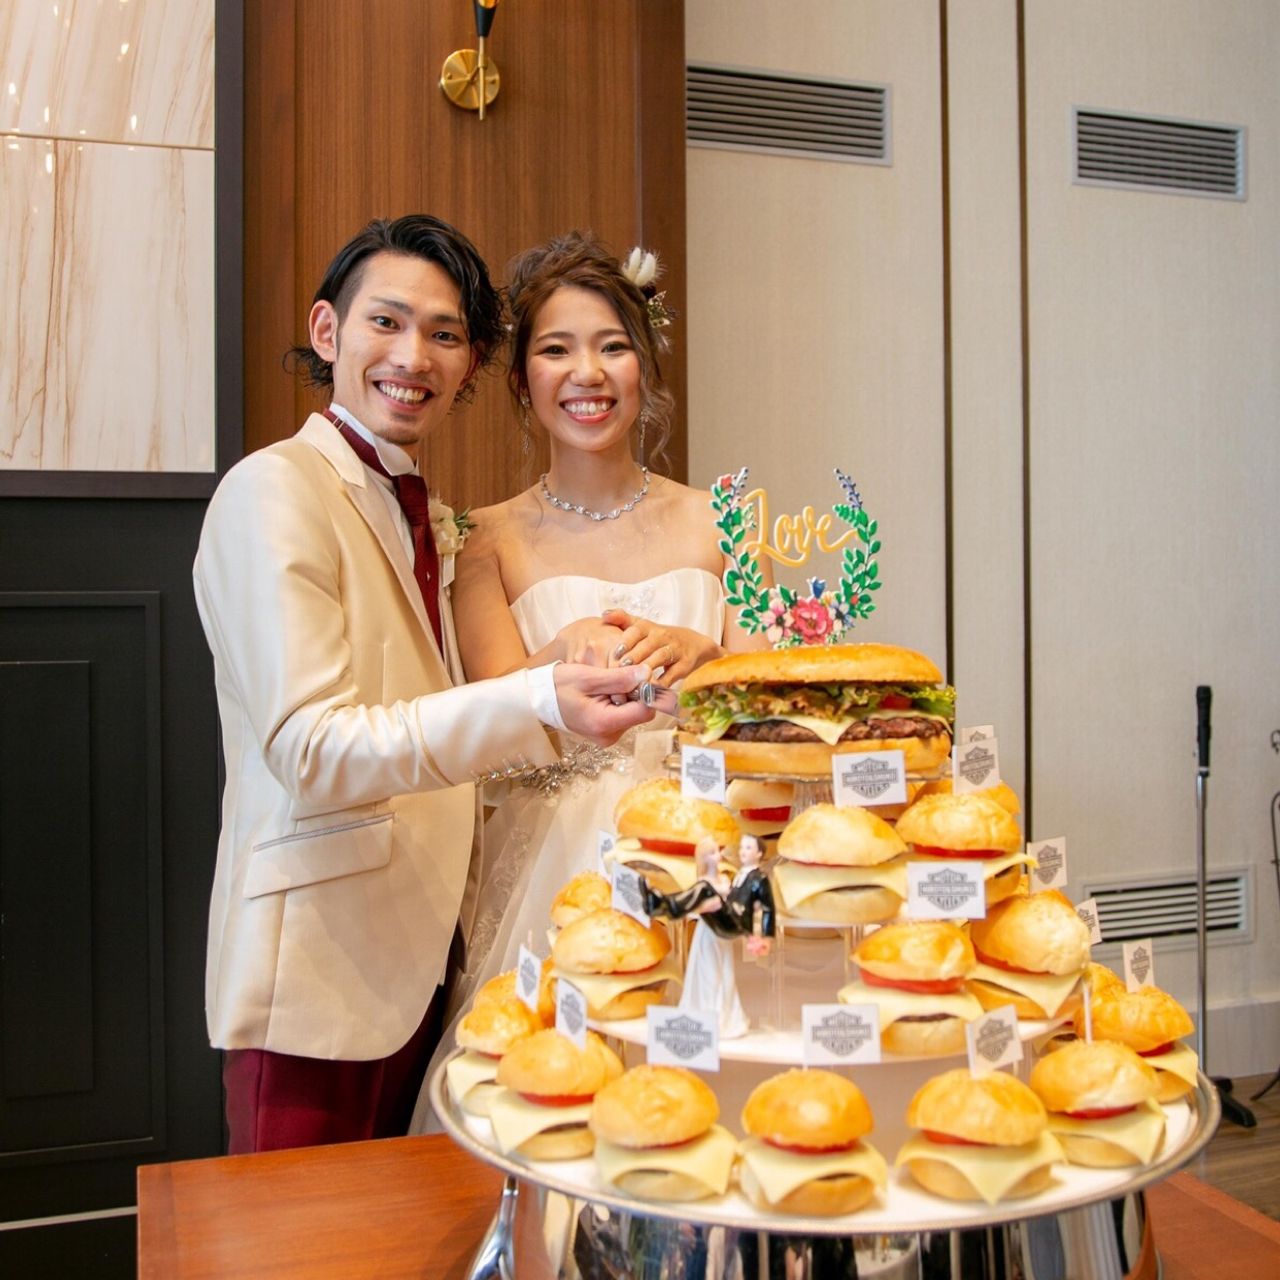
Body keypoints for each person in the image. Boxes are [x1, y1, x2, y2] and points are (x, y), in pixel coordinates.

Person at [193, 215, 656, 1153]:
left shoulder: (429, 515)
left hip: (428, 964)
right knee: (301, 1229)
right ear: (328, 332)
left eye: (444, 334)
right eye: (387, 322)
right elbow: (312, 747)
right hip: (317, 979)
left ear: (470, 363)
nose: (414, 357)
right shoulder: (273, 491)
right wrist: (539, 697)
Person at [411, 231, 767, 1126]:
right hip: (553, 860)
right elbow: (489, 715)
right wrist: (551, 660)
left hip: (706, 845)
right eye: (557, 350)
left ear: (644, 362)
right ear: (521, 378)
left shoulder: (725, 520)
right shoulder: (482, 538)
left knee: (714, 1098)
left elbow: (774, 704)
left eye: (612, 346)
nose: (588, 374)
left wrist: (708, 658)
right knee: (552, 1099)